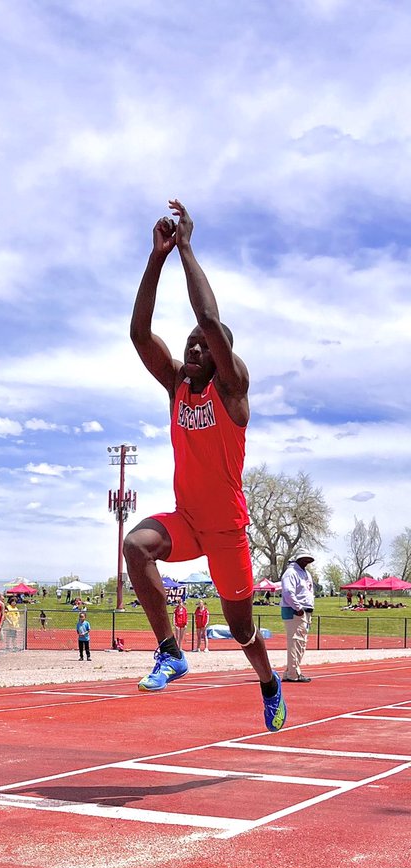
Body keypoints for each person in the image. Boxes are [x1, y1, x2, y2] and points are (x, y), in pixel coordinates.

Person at [123, 198, 286, 732]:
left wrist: (187, 249)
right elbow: (140, 335)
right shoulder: (175, 386)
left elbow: (209, 318)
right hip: (189, 521)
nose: (193, 348)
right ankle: (170, 651)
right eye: (189, 345)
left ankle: (268, 681)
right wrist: (156, 259)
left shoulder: (232, 392)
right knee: (135, 544)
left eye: (201, 346)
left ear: (220, 356)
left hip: (227, 531)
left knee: (241, 629)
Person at [280, 550, 315, 682]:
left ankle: (291, 670)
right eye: (304, 559)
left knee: (301, 642)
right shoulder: (291, 573)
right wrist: (298, 607)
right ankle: (293, 673)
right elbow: (288, 592)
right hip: (294, 611)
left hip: (305, 611)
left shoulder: (306, 574)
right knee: (295, 642)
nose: (307, 562)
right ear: (298, 559)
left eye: (309, 560)